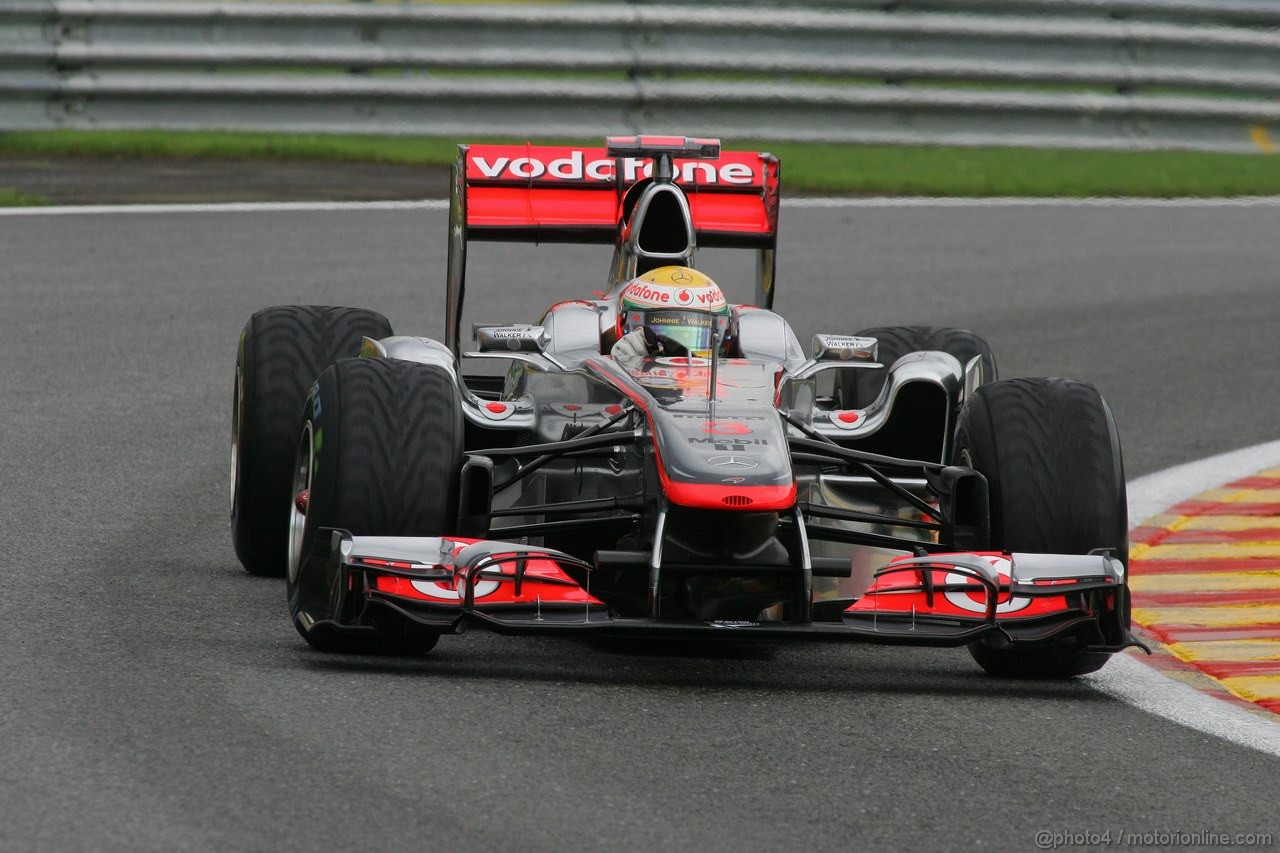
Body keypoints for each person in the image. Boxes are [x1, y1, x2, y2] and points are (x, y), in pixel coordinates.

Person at [611, 266, 730, 360]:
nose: (681, 357)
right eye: (664, 332)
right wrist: (621, 363)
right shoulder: (629, 346)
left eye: (690, 337)